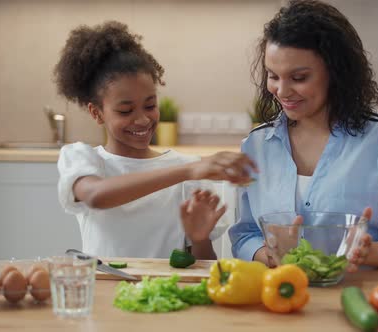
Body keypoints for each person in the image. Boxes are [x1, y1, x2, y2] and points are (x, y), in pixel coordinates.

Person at [229, 0, 378, 271]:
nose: (282, 91)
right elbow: (245, 234)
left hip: (362, 300)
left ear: (336, 72)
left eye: (299, 77)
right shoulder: (256, 145)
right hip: (280, 301)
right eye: (273, 76)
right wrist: (265, 254)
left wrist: (371, 252)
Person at [54, 21, 257, 260]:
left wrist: (200, 239)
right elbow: (97, 196)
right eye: (125, 111)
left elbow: (204, 268)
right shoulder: (83, 159)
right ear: (97, 112)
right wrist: (190, 169)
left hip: (165, 294)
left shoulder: (186, 173)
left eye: (150, 105)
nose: (142, 120)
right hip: (105, 291)